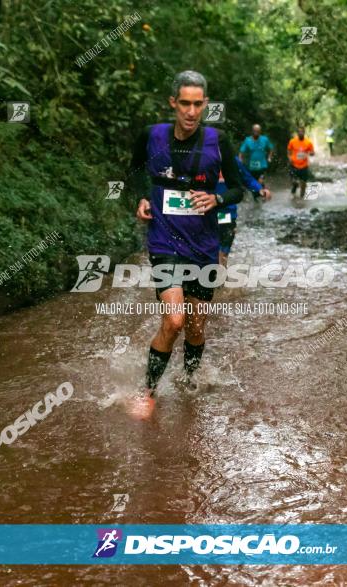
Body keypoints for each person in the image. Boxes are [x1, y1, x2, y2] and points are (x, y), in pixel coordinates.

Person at [126, 71, 245, 411]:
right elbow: (133, 174)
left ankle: (190, 378)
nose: (191, 112)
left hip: (203, 245)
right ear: (173, 103)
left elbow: (238, 188)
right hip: (165, 241)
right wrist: (140, 198)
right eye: (185, 105)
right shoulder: (151, 136)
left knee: (194, 327)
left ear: (205, 104)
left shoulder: (218, 140)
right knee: (174, 320)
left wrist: (218, 200)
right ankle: (146, 392)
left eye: (198, 104)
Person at [215, 156, 270, 266]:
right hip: (203, 212)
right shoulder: (198, 155)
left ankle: (220, 277)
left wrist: (260, 189)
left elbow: (246, 177)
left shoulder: (230, 159)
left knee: (223, 252)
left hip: (227, 212)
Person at [239, 124, 273, 200]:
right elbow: (241, 151)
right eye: (255, 131)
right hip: (251, 168)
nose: (256, 132)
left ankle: (263, 196)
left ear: (260, 131)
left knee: (260, 181)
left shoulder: (265, 139)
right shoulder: (247, 140)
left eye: (258, 131)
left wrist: (269, 157)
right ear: (252, 131)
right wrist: (240, 160)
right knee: (253, 186)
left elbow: (271, 148)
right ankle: (259, 198)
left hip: (262, 166)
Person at [287, 126, 315, 199]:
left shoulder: (308, 142)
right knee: (294, 182)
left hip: (304, 166)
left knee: (303, 185)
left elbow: (312, 152)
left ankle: (302, 198)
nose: (300, 133)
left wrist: (311, 153)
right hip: (294, 165)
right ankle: (292, 195)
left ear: (304, 132)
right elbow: (289, 151)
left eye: (302, 132)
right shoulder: (292, 141)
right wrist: (290, 158)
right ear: (297, 133)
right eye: (299, 132)